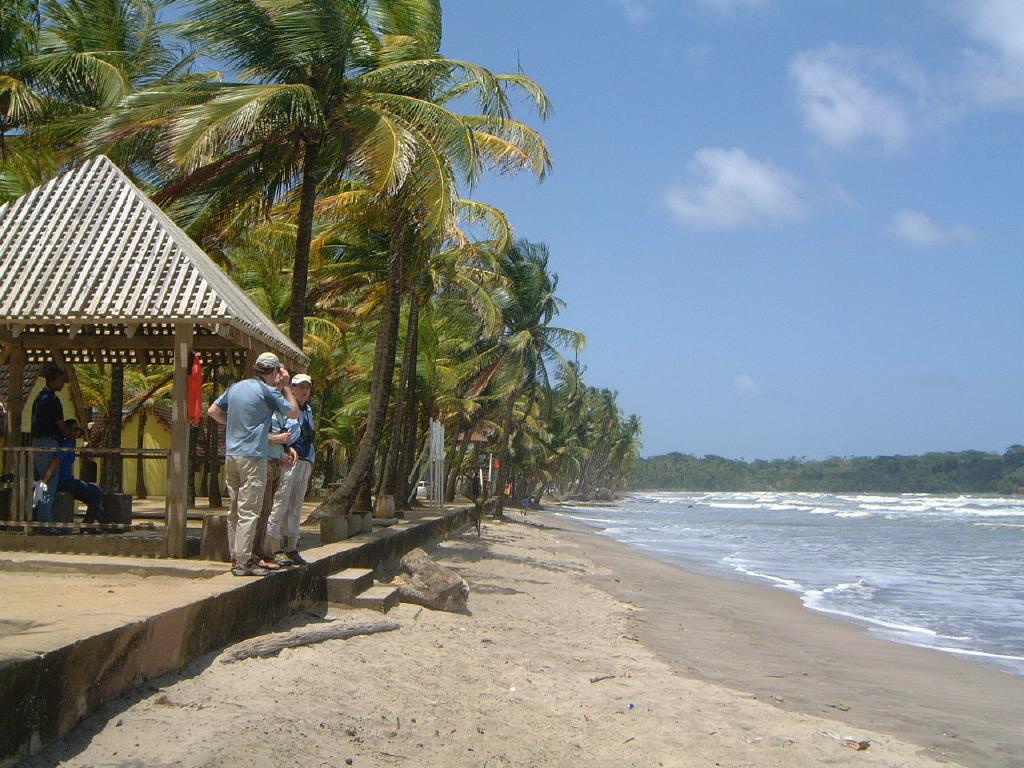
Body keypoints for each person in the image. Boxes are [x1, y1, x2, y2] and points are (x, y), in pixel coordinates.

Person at [208, 352, 298, 577]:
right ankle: (244, 562)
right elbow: (293, 412)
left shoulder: (236, 387)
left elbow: (212, 411)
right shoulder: (268, 392)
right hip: (253, 457)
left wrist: (236, 425)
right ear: (276, 371)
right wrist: (286, 386)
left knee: (234, 509)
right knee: (249, 511)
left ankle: (235, 555)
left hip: (232, 456)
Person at [266, 373, 315, 567]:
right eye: (300, 387)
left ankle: (292, 547)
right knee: (280, 503)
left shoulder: (309, 410)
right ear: (292, 389)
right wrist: (286, 449)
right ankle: (274, 547)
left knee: (296, 507)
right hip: (288, 461)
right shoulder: (284, 407)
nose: (304, 391)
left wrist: (311, 460)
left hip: (304, 461)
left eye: (307, 387)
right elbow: (279, 431)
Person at [253, 407, 299, 567]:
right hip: (262, 461)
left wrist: (285, 449)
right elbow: (254, 434)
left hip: (276, 461)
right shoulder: (261, 406)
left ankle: (263, 552)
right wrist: (278, 439)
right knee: (262, 509)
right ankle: (255, 555)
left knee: (268, 509)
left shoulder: (279, 410)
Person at [30, 364, 74, 526]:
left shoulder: (39, 399)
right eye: (61, 381)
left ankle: (40, 517)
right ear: (53, 380)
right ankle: (45, 521)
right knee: (48, 482)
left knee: (43, 480)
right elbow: (61, 425)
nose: (63, 384)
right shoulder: (52, 400)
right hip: (48, 443)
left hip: (37, 442)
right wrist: (70, 437)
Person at [55, 420, 111, 529]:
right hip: (63, 482)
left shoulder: (72, 443)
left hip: (68, 480)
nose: (77, 432)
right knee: (96, 492)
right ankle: (95, 524)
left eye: (78, 429)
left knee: (94, 496)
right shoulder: (66, 443)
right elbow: (57, 461)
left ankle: (102, 523)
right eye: (74, 429)